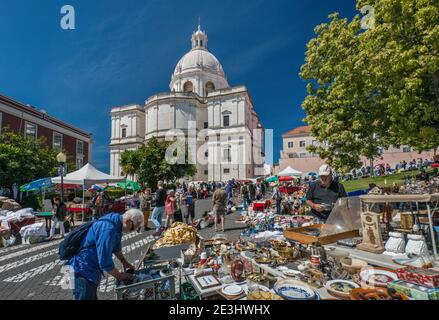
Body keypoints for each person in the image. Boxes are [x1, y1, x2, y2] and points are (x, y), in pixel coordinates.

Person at [68, 209, 144, 300]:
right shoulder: (108, 229)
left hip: (90, 270)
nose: (131, 231)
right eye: (132, 228)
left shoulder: (116, 222)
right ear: (128, 221)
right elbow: (104, 262)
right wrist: (120, 276)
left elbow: (116, 247)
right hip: (83, 270)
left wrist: (124, 261)